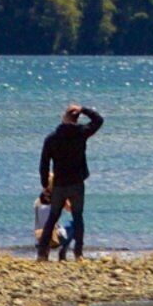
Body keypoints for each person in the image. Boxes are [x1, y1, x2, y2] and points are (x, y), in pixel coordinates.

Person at [35, 104, 103, 259]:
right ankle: (78, 253)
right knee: (78, 217)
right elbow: (99, 120)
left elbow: (44, 164)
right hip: (77, 182)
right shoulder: (81, 133)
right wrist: (84, 109)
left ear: (64, 117)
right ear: (76, 118)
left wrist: (45, 185)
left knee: (52, 218)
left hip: (59, 183)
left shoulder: (52, 138)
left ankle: (42, 253)